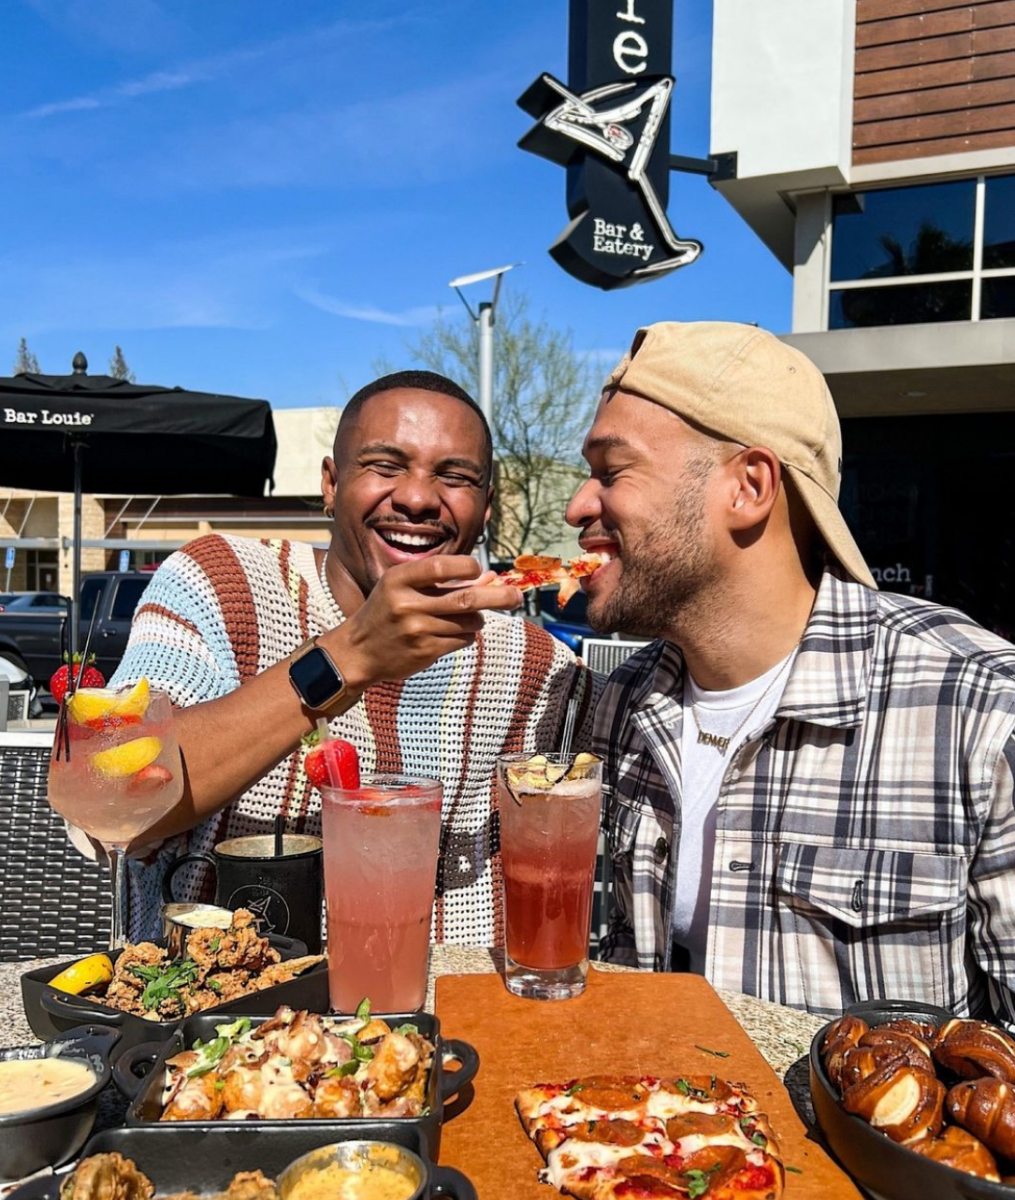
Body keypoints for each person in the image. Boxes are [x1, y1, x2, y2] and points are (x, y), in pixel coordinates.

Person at [566, 320, 1015, 1023]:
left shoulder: (978, 708)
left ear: (748, 486)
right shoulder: (616, 704)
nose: (577, 506)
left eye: (611, 471)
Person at [103, 369, 598, 943]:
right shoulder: (222, 581)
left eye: (455, 476)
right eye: (385, 466)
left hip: (459, 1019)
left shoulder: (542, 666)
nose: (417, 498)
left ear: (486, 507)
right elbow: (116, 796)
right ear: (332, 484)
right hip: (225, 1011)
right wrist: (349, 657)